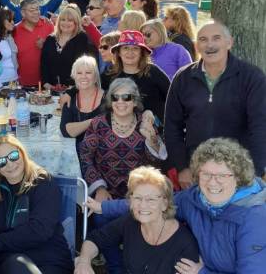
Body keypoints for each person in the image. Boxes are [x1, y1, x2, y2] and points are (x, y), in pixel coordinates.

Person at [96, 138, 266, 274]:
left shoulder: (253, 217)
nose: (213, 182)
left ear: (238, 177)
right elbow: (152, 202)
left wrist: (203, 272)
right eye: (205, 174)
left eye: (222, 175)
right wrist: (104, 208)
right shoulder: (194, 199)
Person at [164, 21, 266, 187]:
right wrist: (182, 167)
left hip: (238, 170)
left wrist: (255, 172)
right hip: (195, 171)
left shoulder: (252, 77)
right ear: (197, 46)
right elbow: (171, 127)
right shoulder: (183, 78)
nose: (209, 44)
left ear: (229, 42)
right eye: (203, 39)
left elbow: (260, 127)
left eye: (216, 38)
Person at [0, 135, 74, 274]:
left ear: (22, 153)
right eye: (1, 161)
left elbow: (40, 230)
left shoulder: (43, 183)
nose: (10, 164)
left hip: (50, 259)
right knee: (17, 265)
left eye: (14, 155)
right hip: (11, 262)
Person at [75, 166, 199, 274]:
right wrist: (83, 262)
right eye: (138, 198)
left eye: (151, 199)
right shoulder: (131, 221)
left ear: (164, 204)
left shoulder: (185, 243)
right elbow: (96, 239)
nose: (143, 205)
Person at [80, 78, 166, 202]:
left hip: (139, 195)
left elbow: (155, 164)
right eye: (115, 97)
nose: (120, 102)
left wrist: (151, 138)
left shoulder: (145, 123)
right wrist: (99, 188)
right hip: (106, 195)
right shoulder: (98, 124)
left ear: (135, 101)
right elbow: (85, 157)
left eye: (126, 97)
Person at [102, 30, 170, 123]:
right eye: (125, 48)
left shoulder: (153, 71)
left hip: (152, 127)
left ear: (142, 53)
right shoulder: (109, 74)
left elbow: (172, 96)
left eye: (135, 48)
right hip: (118, 127)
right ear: (119, 53)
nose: (130, 52)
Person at [60, 56, 105, 157]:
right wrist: (92, 122)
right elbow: (66, 131)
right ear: (74, 76)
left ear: (96, 76)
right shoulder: (70, 98)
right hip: (76, 156)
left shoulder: (107, 99)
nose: (83, 76)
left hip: (102, 155)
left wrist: (77, 127)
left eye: (88, 73)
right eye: (79, 73)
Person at [41, 7, 96, 88]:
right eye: (63, 20)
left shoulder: (82, 38)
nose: (65, 23)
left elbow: (84, 65)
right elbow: (44, 64)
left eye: (70, 20)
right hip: (51, 88)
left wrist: (72, 88)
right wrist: (46, 83)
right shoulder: (50, 39)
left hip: (75, 88)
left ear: (76, 23)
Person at [12, 0, 55, 87]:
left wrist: (46, 45)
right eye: (32, 10)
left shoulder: (48, 25)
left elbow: (59, 50)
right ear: (23, 13)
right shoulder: (14, 30)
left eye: (37, 9)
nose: (36, 12)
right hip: (22, 83)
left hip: (47, 83)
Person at [0, 8, 19, 88]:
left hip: (14, 80)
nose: (13, 22)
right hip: (1, 83)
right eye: (9, 20)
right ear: (0, 21)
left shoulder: (9, 37)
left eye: (13, 20)